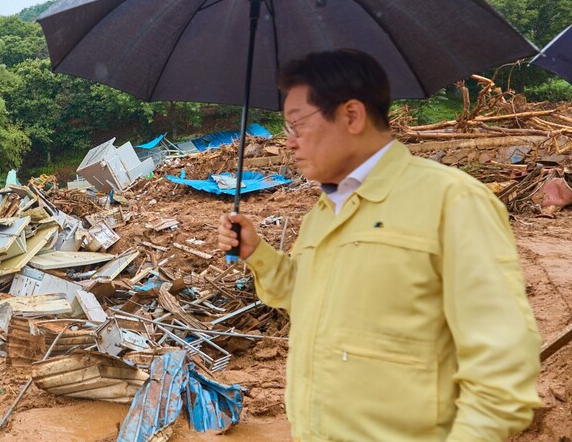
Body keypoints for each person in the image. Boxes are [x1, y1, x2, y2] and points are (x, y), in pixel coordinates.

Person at [218, 49, 541, 441]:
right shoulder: (320, 215)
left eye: (296, 125)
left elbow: (502, 364)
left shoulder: (451, 200)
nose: (289, 143)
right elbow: (306, 296)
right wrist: (257, 254)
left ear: (351, 115)